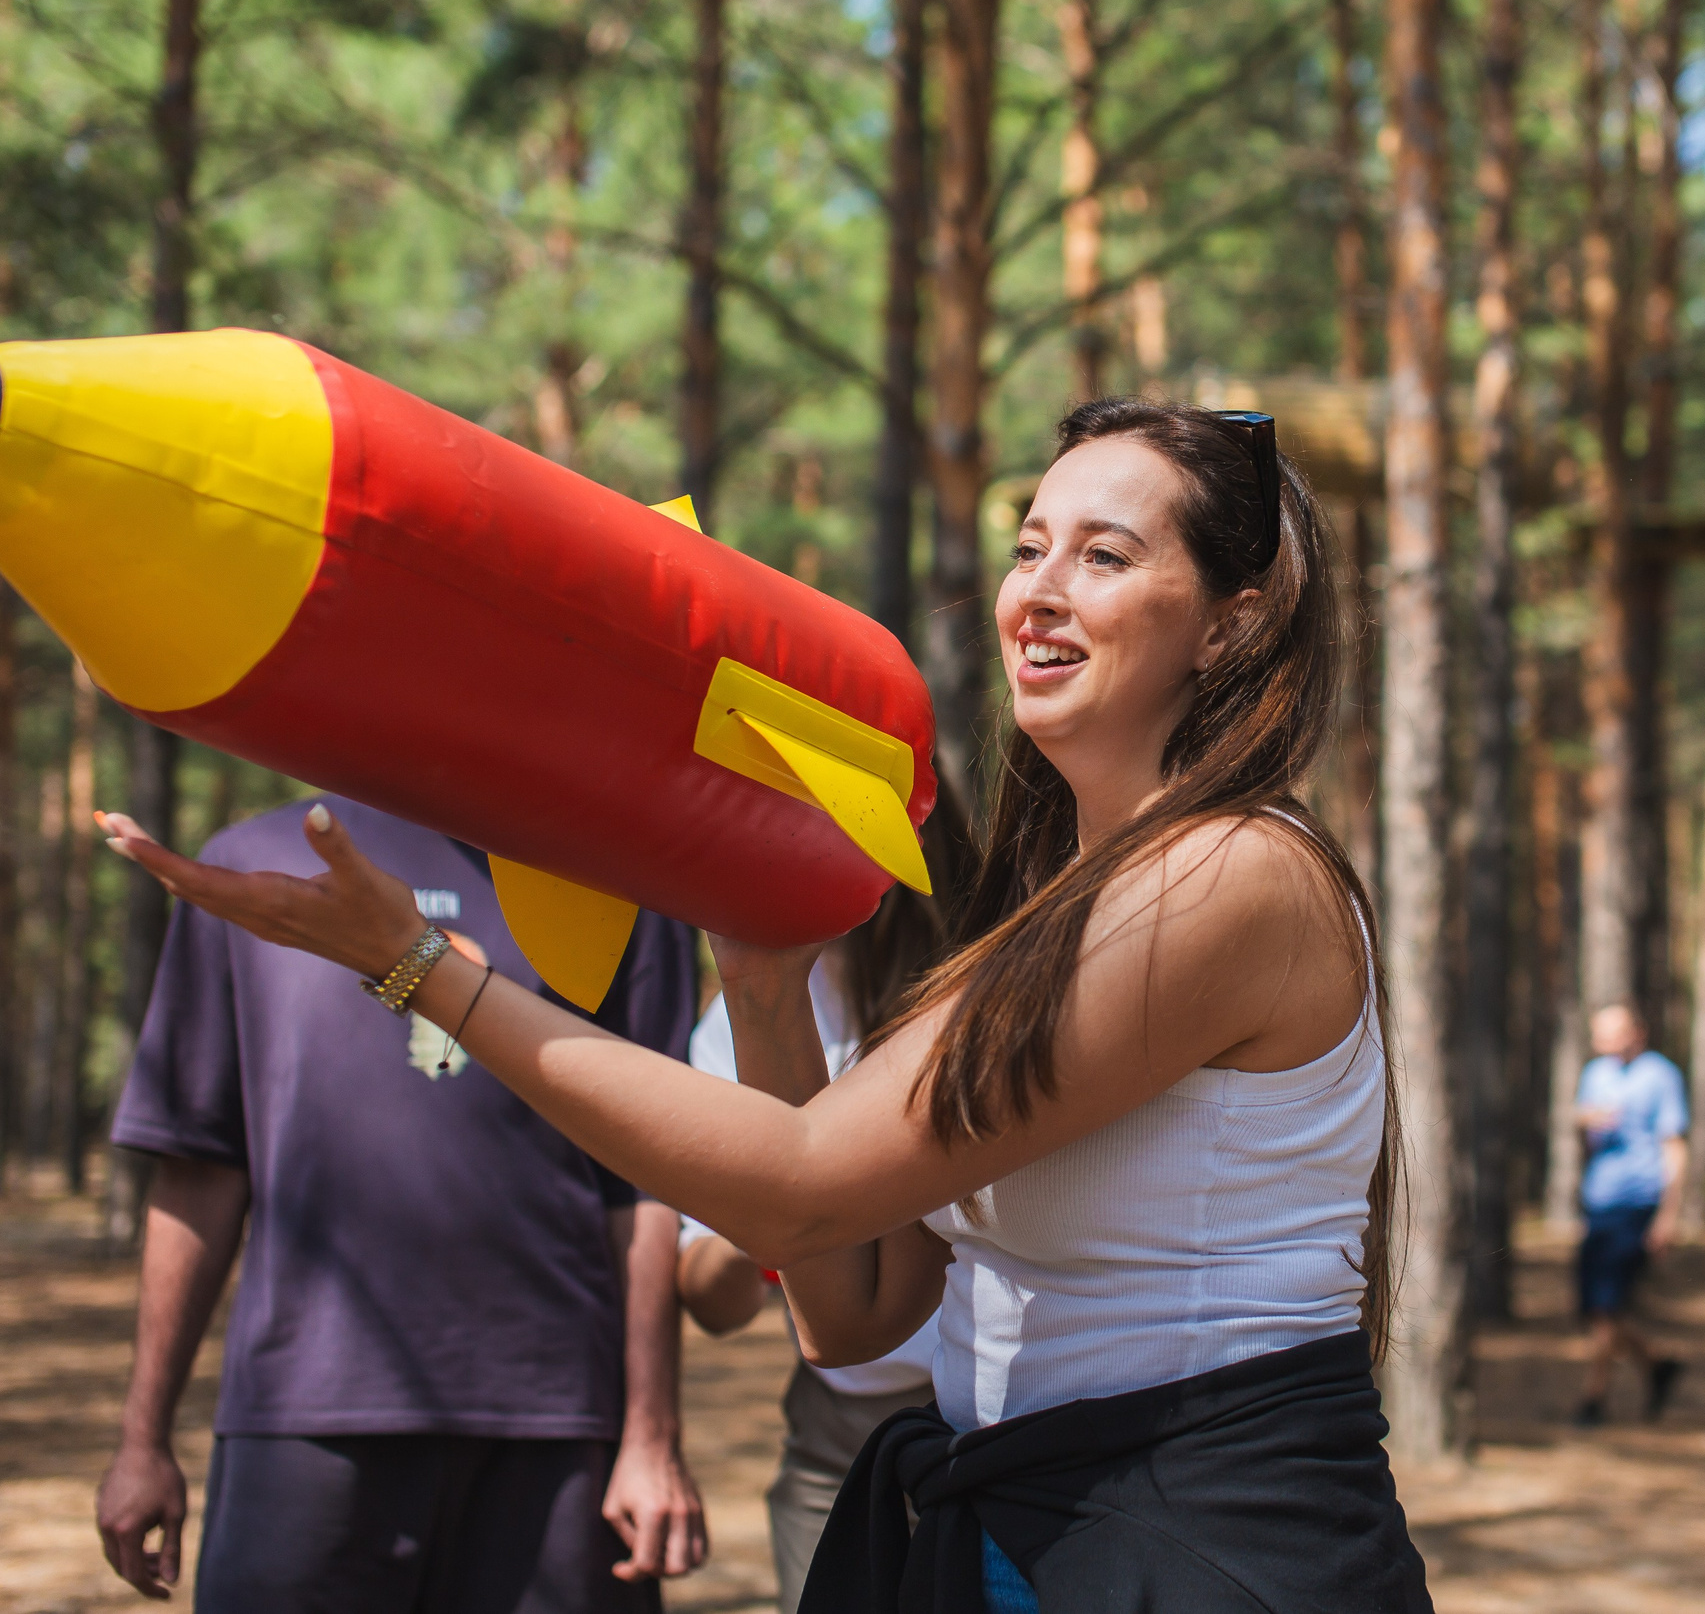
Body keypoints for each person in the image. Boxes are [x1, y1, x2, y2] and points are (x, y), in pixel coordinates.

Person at [100, 397, 1434, 1614]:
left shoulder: (1234, 874)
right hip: (1039, 1527)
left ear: (1233, 619)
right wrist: (764, 976)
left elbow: (801, 1187)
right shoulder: (1051, 910)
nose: (1038, 591)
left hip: (1204, 1548)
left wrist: (415, 964)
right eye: (1030, 547)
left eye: (1104, 554)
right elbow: (855, 1303)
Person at [92, 797, 708, 1611]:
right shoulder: (249, 866)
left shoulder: (612, 880)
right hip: (304, 1414)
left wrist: (653, 1437)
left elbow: (645, 1183)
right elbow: (200, 1165)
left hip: (557, 1424)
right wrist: (143, 1438)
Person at [674, 811, 964, 1613]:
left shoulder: (983, 992)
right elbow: (715, 1298)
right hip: (835, 1440)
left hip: (994, 1418)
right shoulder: (744, 1009)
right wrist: (769, 1210)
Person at [1570, 1001, 1688, 1426]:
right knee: (1598, 1306)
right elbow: (1587, 1130)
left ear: (1636, 1031)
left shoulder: (1661, 1075)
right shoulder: (1595, 1073)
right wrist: (1585, 1123)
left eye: (1611, 1032)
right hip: (1599, 1202)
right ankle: (1656, 1366)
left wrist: (1667, 1215)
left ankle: (1592, 1399)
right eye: (1598, 1033)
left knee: (1606, 1304)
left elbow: (1674, 1145)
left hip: (1639, 1202)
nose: (1602, 1041)